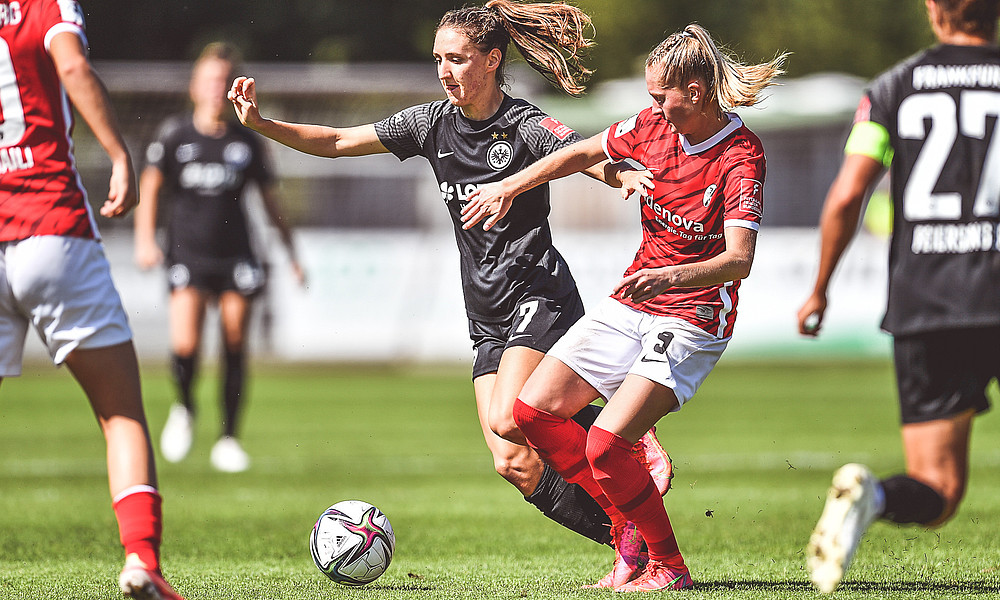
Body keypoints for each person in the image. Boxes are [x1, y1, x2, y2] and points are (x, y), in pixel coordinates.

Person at [228, 0, 674, 569]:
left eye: (458, 59)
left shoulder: (525, 124)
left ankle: (625, 437)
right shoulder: (430, 124)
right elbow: (338, 141)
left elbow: (580, 155)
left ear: (491, 60)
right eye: (438, 58)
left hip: (538, 292)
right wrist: (263, 125)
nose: (444, 71)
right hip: (485, 311)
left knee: (509, 415)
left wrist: (625, 174)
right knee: (511, 461)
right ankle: (627, 542)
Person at [463, 23, 785, 591]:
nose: (652, 105)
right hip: (635, 297)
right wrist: (511, 185)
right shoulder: (652, 126)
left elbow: (740, 260)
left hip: (693, 314)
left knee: (605, 444)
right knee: (530, 412)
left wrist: (670, 276)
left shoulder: (740, 153)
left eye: (661, 95)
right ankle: (628, 538)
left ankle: (670, 566)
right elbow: (580, 152)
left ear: (696, 90)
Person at [796, 0, 1000, 593]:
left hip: (927, 302)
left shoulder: (893, 88)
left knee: (935, 490)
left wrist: (818, 290)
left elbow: (846, 196)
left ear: (934, 10)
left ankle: (874, 495)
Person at [0, 1, 185, 598]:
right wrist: (120, 154)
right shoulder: (45, 4)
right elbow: (73, 67)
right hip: (50, 227)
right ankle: (141, 561)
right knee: (120, 412)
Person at [134, 42, 304, 473]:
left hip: (238, 257)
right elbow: (151, 188)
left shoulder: (247, 141)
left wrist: (292, 253)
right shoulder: (175, 136)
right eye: (209, 80)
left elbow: (270, 203)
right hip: (187, 254)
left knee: (234, 344)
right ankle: (185, 408)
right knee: (186, 344)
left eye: (224, 81)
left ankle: (228, 438)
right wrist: (144, 238)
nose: (215, 89)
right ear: (194, 86)